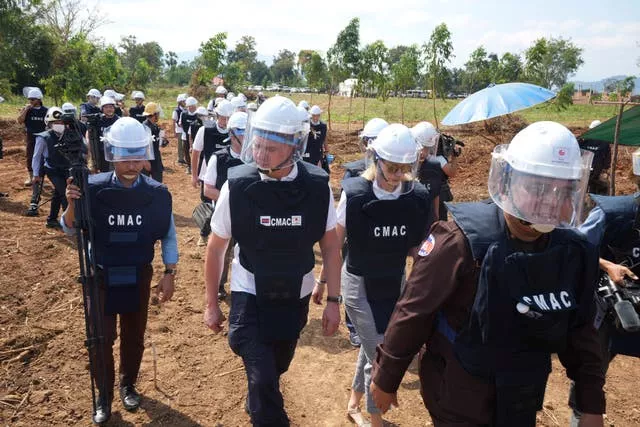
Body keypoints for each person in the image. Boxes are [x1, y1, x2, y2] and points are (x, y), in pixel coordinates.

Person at [370, 121, 606, 427]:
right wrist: (386, 378)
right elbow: (414, 309)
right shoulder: (461, 240)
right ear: (509, 181)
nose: (549, 201)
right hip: (459, 395)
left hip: (523, 393)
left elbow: (581, 330)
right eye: (537, 188)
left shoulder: (572, 252)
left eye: (561, 191)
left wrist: (591, 405)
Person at [203, 96, 341, 426]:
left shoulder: (318, 187)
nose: (261, 154)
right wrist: (211, 303)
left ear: (294, 147)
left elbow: (332, 247)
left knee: (276, 366)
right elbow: (216, 246)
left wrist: (334, 300)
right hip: (249, 291)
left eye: (271, 149)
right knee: (263, 377)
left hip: (296, 292)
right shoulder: (237, 186)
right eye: (258, 145)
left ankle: (260, 396)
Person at [61, 117, 178, 425]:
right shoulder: (92, 188)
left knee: (133, 335)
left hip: (138, 273)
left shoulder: (157, 193)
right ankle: (104, 395)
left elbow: (168, 234)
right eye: (125, 157)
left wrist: (169, 272)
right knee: (100, 337)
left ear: (146, 155)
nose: (132, 164)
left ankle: (128, 384)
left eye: (138, 157)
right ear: (112, 154)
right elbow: (70, 229)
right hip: (100, 274)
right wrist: (72, 204)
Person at [318, 123, 432, 427]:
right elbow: (334, 243)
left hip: (395, 284)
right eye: (390, 168)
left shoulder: (416, 199)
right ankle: (376, 421)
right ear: (375, 160)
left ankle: (354, 405)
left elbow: (415, 248)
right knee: (381, 356)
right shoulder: (354, 195)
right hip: (358, 285)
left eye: (403, 169)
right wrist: (324, 283)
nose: (396, 176)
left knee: (373, 349)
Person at [568, 153, 640, 426]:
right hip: (608, 307)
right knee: (590, 372)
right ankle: (581, 416)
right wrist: (607, 264)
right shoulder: (613, 213)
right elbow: (575, 246)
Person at [203, 111, 246, 299]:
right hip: (224, 215)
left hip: (247, 215)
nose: (247, 136)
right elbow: (208, 189)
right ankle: (219, 285)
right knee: (222, 251)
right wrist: (229, 198)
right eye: (242, 131)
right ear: (232, 134)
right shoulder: (219, 158)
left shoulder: (254, 159)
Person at [191, 99, 233, 246]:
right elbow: (196, 152)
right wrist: (194, 175)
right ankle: (203, 234)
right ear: (216, 115)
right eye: (222, 117)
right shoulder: (205, 130)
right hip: (208, 175)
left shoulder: (235, 132)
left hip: (227, 176)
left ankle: (224, 236)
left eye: (228, 118)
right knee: (208, 207)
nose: (225, 121)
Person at [26, 107, 71, 225]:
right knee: (65, 193)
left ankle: (51, 219)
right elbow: (36, 157)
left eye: (61, 122)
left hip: (66, 168)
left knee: (58, 193)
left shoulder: (69, 134)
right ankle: (69, 221)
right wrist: (35, 174)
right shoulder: (43, 137)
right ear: (49, 123)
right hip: (52, 169)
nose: (59, 124)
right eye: (56, 122)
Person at [17, 87, 48, 186]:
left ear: (39, 99)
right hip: (31, 137)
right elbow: (19, 120)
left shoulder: (46, 110)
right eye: (29, 99)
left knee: (43, 157)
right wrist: (25, 110)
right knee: (30, 156)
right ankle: (31, 177)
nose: (30, 101)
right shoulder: (27, 110)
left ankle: (41, 178)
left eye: (33, 99)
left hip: (43, 137)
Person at [413, 121, 442, 220]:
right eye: (422, 146)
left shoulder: (433, 166)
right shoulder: (402, 166)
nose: (423, 152)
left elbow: (435, 192)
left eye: (427, 148)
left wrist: (436, 215)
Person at [578, 120, 611, 196]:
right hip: (588, 170)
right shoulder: (603, 142)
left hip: (588, 171)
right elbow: (607, 160)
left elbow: (607, 160)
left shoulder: (584, 140)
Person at [434, 131, 459, 220]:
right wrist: (454, 156)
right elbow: (452, 173)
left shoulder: (420, 156)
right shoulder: (439, 159)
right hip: (439, 193)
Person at [141, 102, 164, 182]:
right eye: (157, 113)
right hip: (147, 159)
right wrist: (144, 161)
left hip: (156, 158)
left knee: (157, 183)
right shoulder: (144, 127)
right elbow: (141, 146)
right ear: (154, 114)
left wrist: (163, 140)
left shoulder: (155, 126)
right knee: (145, 184)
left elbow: (158, 143)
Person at [303, 105, 328, 171]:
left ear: (319, 115)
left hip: (318, 152)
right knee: (307, 169)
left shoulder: (323, 126)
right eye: (314, 115)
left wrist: (326, 149)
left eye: (317, 115)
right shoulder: (307, 125)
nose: (315, 117)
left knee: (317, 170)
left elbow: (324, 138)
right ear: (311, 115)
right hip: (307, 151)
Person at [180, 96, 199, 174]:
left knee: (197, 151)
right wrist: (187, 133)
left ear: (195, 105)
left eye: (192, 106)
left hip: (197, 136)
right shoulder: (184, 114)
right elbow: (181, 124)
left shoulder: (198, 114)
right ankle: (189, 166)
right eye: (189, 106)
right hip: (185, 135)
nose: (190, 108)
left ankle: (197, 167)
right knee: (186, 150)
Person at [173, 93, 188, 165]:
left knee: (184, 144)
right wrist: (174, 131)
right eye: (184, 101)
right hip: (179, 130)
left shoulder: (185, 110)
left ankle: (183, 158)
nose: (185, 103)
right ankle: (180, 159)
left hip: (184, 130)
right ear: (180, 102)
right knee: (180, 145)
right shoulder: (176, 110)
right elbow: (173, 121)